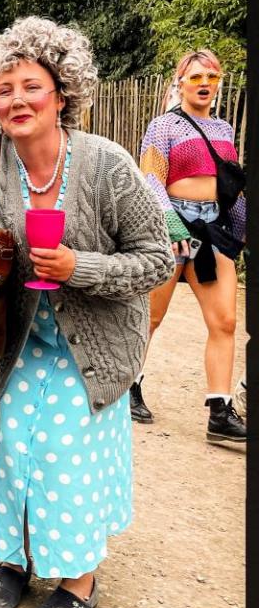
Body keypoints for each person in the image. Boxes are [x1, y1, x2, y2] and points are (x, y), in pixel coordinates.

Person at [0, 16, 173, 608]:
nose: (15, 100)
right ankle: (14, 560)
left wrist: (78, 267)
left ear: (61, 93)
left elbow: (158, 258)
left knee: (66, 455)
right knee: (16, 451)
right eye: (3, 89)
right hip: (27, 334)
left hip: (97, 342)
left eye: (30, 86)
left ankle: (77, 578)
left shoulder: (106, 165)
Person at [129, 50, 246, 448]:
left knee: (225, 322)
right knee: (151, 316)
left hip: (214, 229)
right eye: (195, 76)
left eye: (211, 77)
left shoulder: (225, 131)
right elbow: (149, 177)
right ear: (180, 82)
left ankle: (220, 410)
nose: (204, 83)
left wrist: (242, 232)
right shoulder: (164, 126)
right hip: (172, 226)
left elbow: (230, 186)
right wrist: (169, 221)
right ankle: (130, 385)